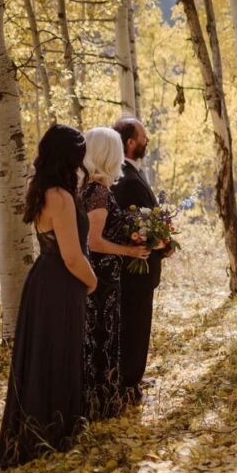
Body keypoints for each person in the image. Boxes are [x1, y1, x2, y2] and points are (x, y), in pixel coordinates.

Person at [0, 125, 98, 471]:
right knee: (56, 353)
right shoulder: (60, 197)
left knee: (43, 355)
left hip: (45, 281)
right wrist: (92, 281)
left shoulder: (46, 189)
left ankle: (47, 431)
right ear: (70, 156)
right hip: (59, 282)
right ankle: (52, 434)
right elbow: (71, 256)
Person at [80, 127, 150, 419]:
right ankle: (102, 403)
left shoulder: (92, 189)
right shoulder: (97, 192)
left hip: (105, 278)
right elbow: (94, 242)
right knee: (102, 339)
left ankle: (104, 399)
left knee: (103, 339)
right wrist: (131, 251)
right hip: (101, 279)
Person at [111, 117, 168, 403]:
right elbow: (132, 227)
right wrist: (159, 243)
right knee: (134, 326)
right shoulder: (125, 179)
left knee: (138, 326)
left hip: (143, 264)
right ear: (131, 142)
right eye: (143, 136)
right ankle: (129, 386)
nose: (147, 140)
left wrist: (164, 240)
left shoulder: (133, 173)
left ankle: (135, 375)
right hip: (136, 269)